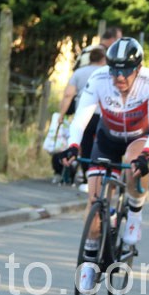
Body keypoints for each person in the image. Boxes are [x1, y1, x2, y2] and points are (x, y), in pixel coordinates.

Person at [62, 37, 149, 290]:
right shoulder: (98, 78)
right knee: (94, 201)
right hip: (107, 139)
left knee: (133, 161)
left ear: (138, 69)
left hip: (138, 138)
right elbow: (80, 118)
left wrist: (148, 154)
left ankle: (135, 213)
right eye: (114, 70)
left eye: (126, 71)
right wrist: (73, 145)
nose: (119, 77)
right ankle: (89, 263)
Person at [57, 45, 107, 190]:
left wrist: (61, 115)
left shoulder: (79, 73)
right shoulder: (106, 73)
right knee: (102, 146)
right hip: (102, 115)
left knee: (85, 146)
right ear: (103, 59)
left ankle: (87, 176)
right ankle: (102, 176)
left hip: (83, 114)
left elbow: (68, 94)